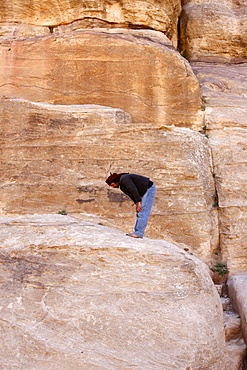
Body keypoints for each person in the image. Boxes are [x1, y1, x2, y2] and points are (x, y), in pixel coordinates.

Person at [105, 172, 156, 238]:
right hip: (143, 191)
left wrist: (138, 202)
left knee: (143, 212)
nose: (112, 187)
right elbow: (132, 194)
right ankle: (137, 232)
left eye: (112, 184)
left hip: (148, 189)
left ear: (115, 181)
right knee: (140, 211)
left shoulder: (124, 179)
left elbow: (133, 189)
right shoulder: (122, 186)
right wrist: (137, 203)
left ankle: (139, 233)